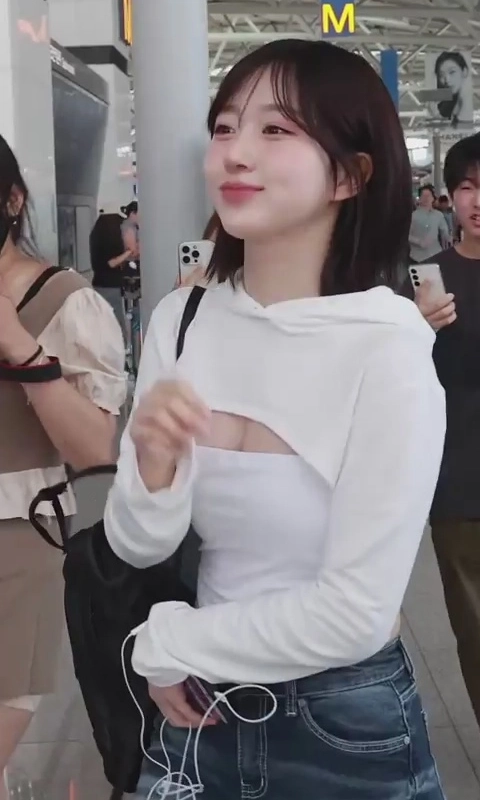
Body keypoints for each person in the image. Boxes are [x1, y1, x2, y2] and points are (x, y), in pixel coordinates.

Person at [104, 40, 446, 800]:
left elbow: (355, 614)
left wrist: (170, 641)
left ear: (350, 175)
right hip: (197, 714)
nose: (235, 152)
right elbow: (139, 544)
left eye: (276, 130)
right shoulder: (183, 321)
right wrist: (154, 465)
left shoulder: (385, 345)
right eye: (225, 128)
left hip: (344, 724)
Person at [0, 136, 127, 800]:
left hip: (16, 536)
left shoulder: (65, 301)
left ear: (12, 199)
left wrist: (21, 349)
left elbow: (95, 449)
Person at [405, 132, 480, 730]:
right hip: (458, 476)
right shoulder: (425, 282)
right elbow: (396, 381)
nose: (479, 200)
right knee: (475, 628)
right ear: (450, 196)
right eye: (469, 187)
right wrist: (414, 330)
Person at [89, 211, 133, 336]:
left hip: (100, 285)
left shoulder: (97, 236)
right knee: (116, 322)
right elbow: (111, 263)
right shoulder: (108, 238)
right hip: (109, 287)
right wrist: (129, 252)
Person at [409, 185, 451, 263]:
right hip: (417, 258)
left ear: (433, 198)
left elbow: (445, 232)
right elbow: (407, 236)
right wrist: (419, 242)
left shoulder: (439, 215)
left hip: (436, 255)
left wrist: (449, 238)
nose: (426, 198)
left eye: (428, 196)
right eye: (423, 196)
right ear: (419, 198)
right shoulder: (412, 216)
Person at [434, 51, 472, 126]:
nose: (447, 80)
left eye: (452, 72)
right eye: (441, 75)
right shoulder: (445, 109)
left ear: (464, 71)